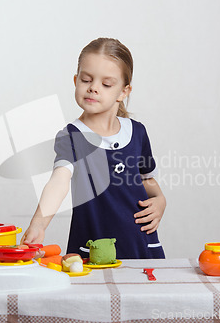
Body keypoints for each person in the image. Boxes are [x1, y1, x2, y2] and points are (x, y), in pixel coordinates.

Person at [21, 38, 166, 259]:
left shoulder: (137, 132)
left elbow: (146, 180)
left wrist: (160, 200)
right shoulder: (71, 136)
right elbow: (59, 182)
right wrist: (38, 224)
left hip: (141, 246)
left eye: (106, 84)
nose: (93, 88)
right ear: (75, 80)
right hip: (91, 251)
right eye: (86, 79)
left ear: (123, 92)